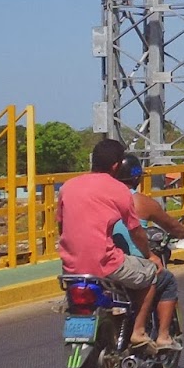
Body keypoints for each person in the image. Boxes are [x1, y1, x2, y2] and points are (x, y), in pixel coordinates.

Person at [57, 139, 167, 350]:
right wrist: (150, 256)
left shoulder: (68, 187)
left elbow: (61, 227)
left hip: (71, 267)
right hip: (106, 264)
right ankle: (138, 332)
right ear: (116, 166)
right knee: (151, 273)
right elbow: (135, 231)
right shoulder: (119, 190)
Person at [107, 153, 184, 349]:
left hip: (97, 263)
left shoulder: (100, 200)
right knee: (166, 280)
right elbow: (171, 226)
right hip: (126, 265)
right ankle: (162, 337)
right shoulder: (140, 202)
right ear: (137, 178)